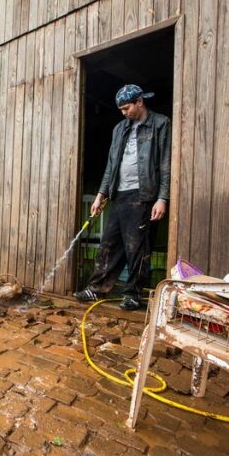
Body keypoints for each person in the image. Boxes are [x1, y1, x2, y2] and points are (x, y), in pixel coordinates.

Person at [73, 84, 171, 311]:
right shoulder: (119, 129)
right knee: (109, 243)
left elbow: (166, 164)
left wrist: (162, 197)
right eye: (121, 109)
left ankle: (133, 294)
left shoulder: (160, 124)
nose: (123, 113)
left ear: (140, 102)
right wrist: (101, 194)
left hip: (144, 194)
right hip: (119, 194)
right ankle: (96, 288)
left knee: (137, 248)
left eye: (127, 108)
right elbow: (111, 164)